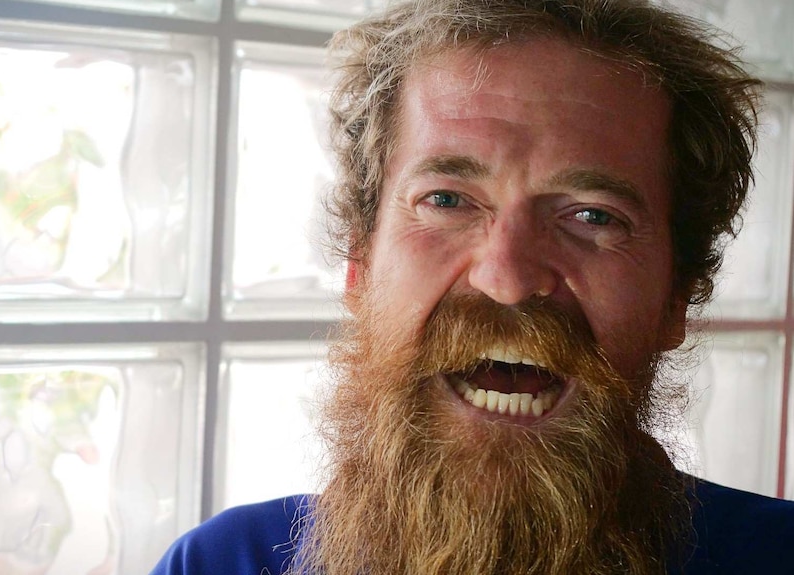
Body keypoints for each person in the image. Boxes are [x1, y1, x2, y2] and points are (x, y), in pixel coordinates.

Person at [152, 0, 794, 573]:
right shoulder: (218, 564)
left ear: (676, 296)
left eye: (593, 215)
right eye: (447, 199)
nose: (508, 279)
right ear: (360, 266)